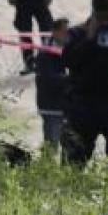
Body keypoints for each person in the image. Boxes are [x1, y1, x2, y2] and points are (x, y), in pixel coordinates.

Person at [60, 0, 108, 166]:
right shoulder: (77, 33)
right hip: (82, 107)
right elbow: (68, 61)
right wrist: (90, 37)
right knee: (73, 165)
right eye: (102, 17)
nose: (105, 23)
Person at [36, 18, 69, 150]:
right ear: (55, 32)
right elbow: (49, 79)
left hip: (64, 106)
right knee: (52, 144)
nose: (67, 35)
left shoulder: (67, 48)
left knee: (67, 144)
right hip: (51, 106)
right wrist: (70, 79)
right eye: (64, 32)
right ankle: (46, 168)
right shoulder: (46, 53)